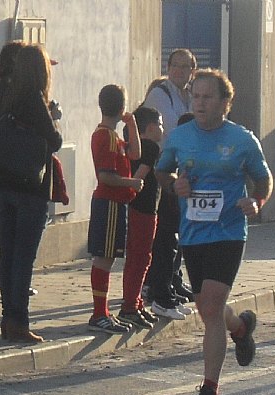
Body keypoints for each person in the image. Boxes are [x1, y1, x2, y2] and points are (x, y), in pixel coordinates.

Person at [156, 68, 273, 395]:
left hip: (228, 232)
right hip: (193, 233)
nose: (200, 103)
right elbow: (162, 172)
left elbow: (264, 180)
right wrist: (173, 184)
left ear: (225, 103)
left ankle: (209, 392)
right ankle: (239, 327)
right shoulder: (180, 137)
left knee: (209, 305)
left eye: (208, 97)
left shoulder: (242, 140)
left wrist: (257, 202)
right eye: (196, 96)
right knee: (208, 308)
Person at [0, 44, 62, 343]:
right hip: (30, 185)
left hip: (2, 181)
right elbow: (54, 141)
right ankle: (19, 320)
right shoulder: (33, 98)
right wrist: (53, 115)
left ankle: (7, 318)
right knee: (23, 257)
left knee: (8, 253)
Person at [144, 48, 197, 319]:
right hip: (162, 170)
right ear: (168, 67)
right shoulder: (160, 94)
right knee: (165, 234)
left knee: (178, 230)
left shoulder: (190, 95)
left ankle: (173, 281)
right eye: (175, 65)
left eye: (185, 67)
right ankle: (158, 287)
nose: (180, 71)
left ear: (192, 71)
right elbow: (172, 131)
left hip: (182, 169)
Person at [87, 84, 144, 334]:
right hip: (108, 202)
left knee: (108, 257)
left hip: (116, 203)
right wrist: (130, 183)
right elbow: (105, 176)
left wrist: (132, 125)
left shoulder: (114, 136)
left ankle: (104, 312)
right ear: (122, 108)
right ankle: (99, 313)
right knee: (104, 258)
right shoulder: (106, 137)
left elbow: (135, 153)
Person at [117, 105, 164, 329]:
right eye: (161, 124)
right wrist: (131, 192)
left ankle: (135, 302)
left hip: (134, 207)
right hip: (144, 209)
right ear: (151, 127)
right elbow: (140, 176)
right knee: (141, 258)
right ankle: (130, 306)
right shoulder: (151, 147)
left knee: (134, 258)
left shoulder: (130, 146)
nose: (163, 129)